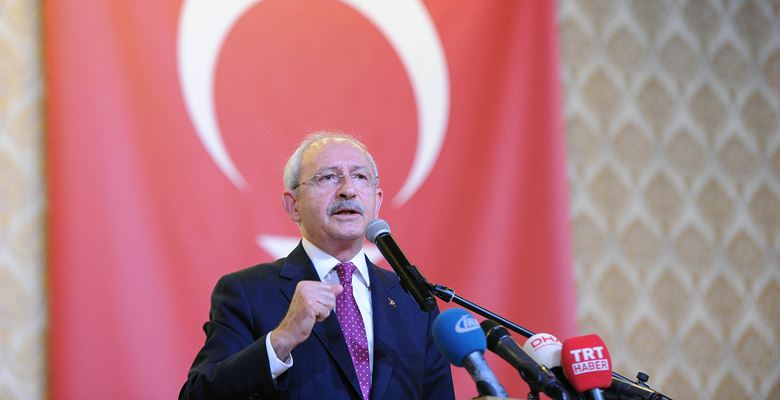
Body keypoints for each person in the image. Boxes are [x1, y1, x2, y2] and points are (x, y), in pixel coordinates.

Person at [179, 132, 454, 399]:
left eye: (360, 177)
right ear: (293, 205)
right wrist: (281, 339)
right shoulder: (247, 293)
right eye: (328, 177)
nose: (348, 190)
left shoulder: (413, 299)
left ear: (377, 200)